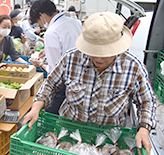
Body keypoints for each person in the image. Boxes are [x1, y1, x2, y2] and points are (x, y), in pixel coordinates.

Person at [22, 11, 156, 155]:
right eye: (93, 51)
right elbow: (50, 84)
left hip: (108, 142)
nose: (98, 58)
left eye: (105, 53)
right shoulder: (71, 59)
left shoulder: (133, 67)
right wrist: (36, 107)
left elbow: (146, 101)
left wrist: (144, 128)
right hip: (68, 137)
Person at [28, 0, 82, 114]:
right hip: (81, 80)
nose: (41, 26)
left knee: (56, 116)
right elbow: (71, 48)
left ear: (41, 15)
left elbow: (54, 74)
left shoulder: (52, 32)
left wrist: (41, 65)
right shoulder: (74, 22)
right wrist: (48, 51)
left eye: (39, 22)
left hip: (64, 86)